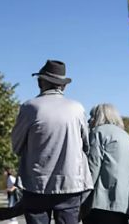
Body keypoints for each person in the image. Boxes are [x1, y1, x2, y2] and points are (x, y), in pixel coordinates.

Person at [10, 60, 93, 224]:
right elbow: (86, 145)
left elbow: (16, 145)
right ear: (63, 86)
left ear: (40, 82)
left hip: (36, 184)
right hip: (71, 182)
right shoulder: (77, 108)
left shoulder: (30, 107)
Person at [83, 103, 129, 224]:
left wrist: (82, 199)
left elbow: (93, 168)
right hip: (125, 203)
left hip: (102, 203)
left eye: (92, 116)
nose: (89, 120)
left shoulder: (97, 133)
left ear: (100, 116)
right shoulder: (127, 137)